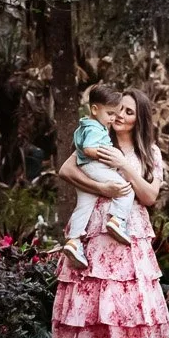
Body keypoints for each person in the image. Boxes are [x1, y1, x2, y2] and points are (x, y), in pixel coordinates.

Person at [51, 88, 169, 338]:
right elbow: (65, 170)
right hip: (94, 229)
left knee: (128, 295)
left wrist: (125, 166)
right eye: (118, 109)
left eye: (128, 112)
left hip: (128, 231)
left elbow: (149, 196)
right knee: (93, 288)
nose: (120, 116)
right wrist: (102, 187)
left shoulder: (150, 153)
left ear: (140, 119)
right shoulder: (98, 138)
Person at [60, 83, 134, 257]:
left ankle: (73, 240)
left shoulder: (85, 126)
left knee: (84, 205)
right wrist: (108, 155)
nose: (114, 118)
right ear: (94, 109)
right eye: (110, 114)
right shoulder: (94, 128)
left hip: (85, 168)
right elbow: (87, 148)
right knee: (125, 190)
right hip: (95, 166)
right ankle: (117, 220)